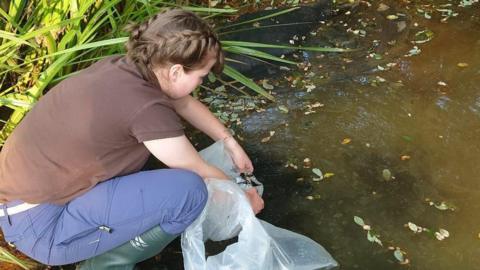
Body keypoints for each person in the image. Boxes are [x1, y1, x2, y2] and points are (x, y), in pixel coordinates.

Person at [0, 9, 264, 269]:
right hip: (43, 227)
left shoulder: (125, 68)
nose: (200, 83)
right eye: (201, 76)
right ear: (174, 72)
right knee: (190, 192)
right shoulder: (146, 108)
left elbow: (182, 103)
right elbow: (195, 168)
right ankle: (105, 264)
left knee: (161, 173)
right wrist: (241, 199)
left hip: (25, 204)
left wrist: (229, 142)